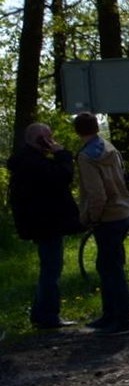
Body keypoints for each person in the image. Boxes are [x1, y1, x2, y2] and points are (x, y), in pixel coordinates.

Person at [7, 123, 82, 329]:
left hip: (40, 221)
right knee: (51, 270)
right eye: (48, 137)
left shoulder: (26, 160)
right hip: (47, 223)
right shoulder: (34, 163)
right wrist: (61, 154)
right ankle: (48, 315)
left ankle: (39, 313)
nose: (52, 141)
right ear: (40, 139)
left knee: (48, 268)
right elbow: (63, 177)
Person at [73, 112, 129, 335]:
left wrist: (92, 217)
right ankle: (110, 315)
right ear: (97, 127)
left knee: (110, 269)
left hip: (107, 217)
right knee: (110, 266)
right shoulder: (109, 148)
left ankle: (120, 319)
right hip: (122, 211)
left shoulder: (86, 157)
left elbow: (96, 193)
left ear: (77, 131)